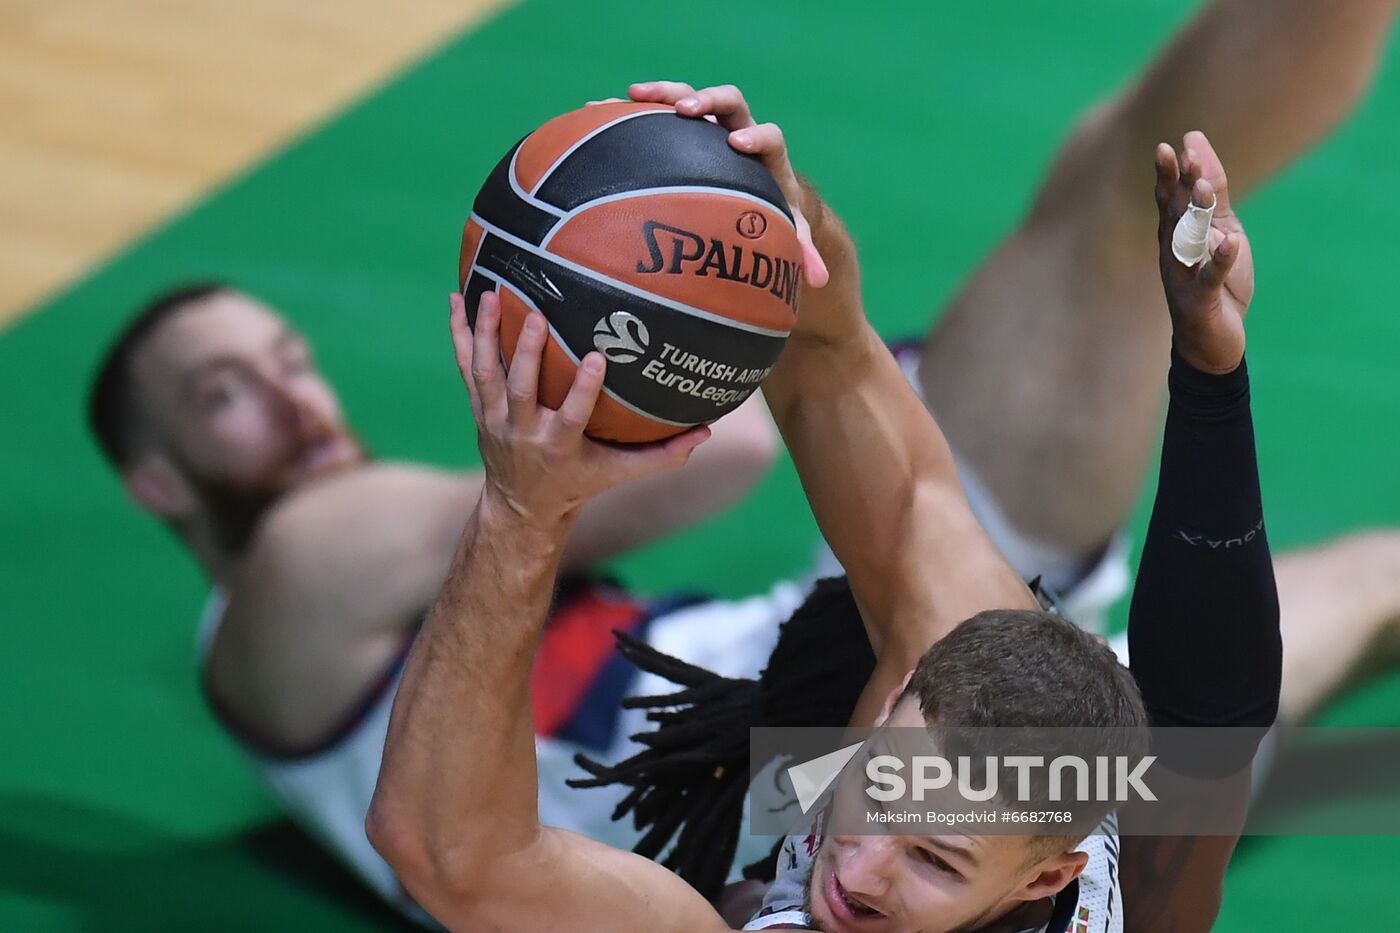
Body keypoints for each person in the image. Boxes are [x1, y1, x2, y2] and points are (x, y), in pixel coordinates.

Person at [365, 86, 1278, 931]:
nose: (865, 869)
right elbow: (832, 349)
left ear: (1048, 877)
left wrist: (523, 514)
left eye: (935, 857)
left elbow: (448, 854)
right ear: (883, 719)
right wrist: (769, 224)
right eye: (880, 788)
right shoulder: (1003, 742)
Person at [84, 282, 788, 917]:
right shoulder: (306, 551)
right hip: (750, 781)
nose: (296, 403)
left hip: (727, 803)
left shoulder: (253, 633)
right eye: (224, 395)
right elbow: (731, 444)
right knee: (897, 783)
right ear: (160, 486)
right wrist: (686, 291)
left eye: (292, 362)